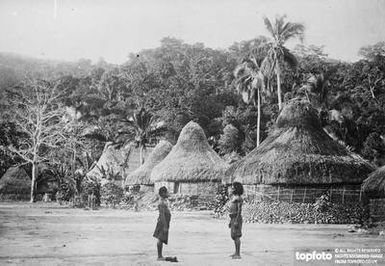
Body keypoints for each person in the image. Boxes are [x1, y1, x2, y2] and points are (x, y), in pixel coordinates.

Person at [153, 186, 171, 261]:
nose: (168, 193)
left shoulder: (164, 201)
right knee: (160, 238)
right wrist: (165, 226)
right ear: (163, 193)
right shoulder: (161, 202)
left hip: (163, 222)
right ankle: (159, 256)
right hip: (162, 223)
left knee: (161, 238)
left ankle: (160, 255)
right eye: (166, 192)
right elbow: (162, 214)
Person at [228, 182, 244, 259]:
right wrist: (230, 221)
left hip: (236, 218)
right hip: (233, 218)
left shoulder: (239, 198)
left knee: (236, 235)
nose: (232, 189)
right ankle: (236, 252)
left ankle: (238, 254)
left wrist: (236, 221)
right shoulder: (234, 197)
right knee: (233, 236)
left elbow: (239, 210)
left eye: (233, 187)